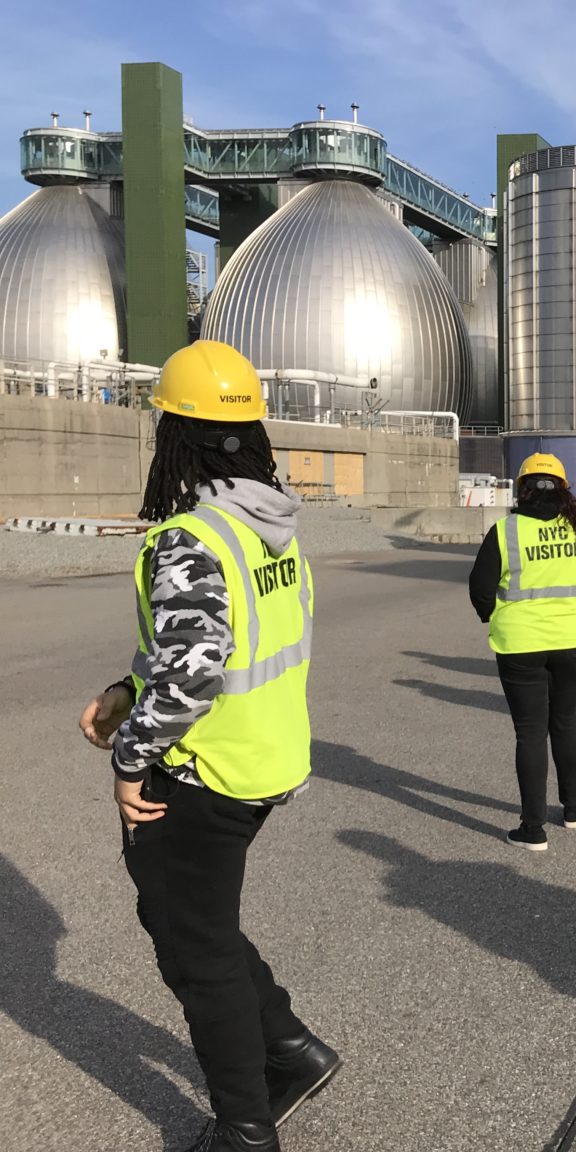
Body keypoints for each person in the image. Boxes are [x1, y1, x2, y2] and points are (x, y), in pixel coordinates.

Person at [76, 340, 340, 1152]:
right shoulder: (270, 525)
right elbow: (207, 643)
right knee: (203, 923)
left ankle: (245, 1127)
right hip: (265, 759)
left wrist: (130, 762)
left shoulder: (191, 536)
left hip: (204, 773)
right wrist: (130, 689)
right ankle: (292, 1049)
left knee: (195, 949)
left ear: (173, 436)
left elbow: (192, 677)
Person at [469, 453, 576, 852]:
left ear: (523, 489)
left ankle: (533, 828)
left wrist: (496, 617)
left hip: (518, 646)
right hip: (570, 642)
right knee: (565, 723)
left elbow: (480, 588)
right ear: (565, 490)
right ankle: (573, 807)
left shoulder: (505, 531)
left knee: (530, 732)